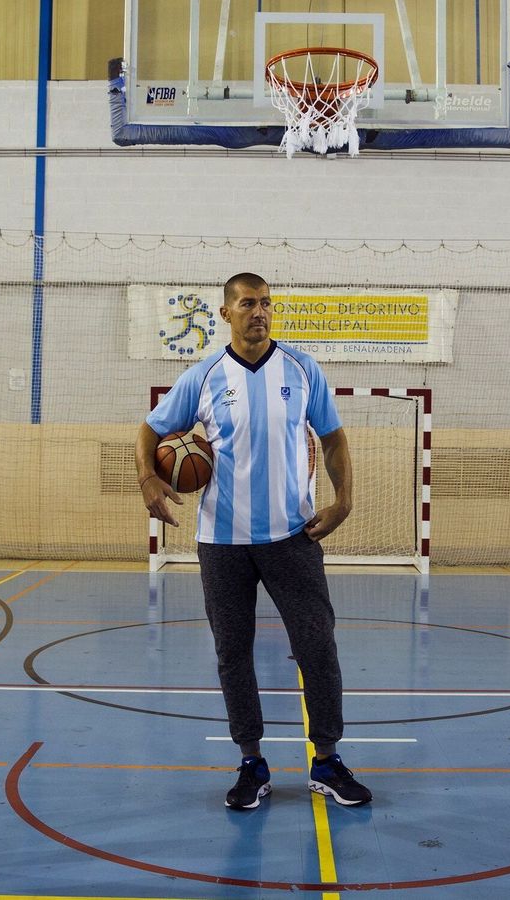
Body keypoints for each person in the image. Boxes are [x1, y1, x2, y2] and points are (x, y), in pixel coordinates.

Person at [137, 272, 373, 810]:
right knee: (232, 653)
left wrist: (345, 500)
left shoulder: (302, 369)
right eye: (247, 303)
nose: (259, 311)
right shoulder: (204, 376)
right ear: (226, 313)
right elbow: (149, 431)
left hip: (293, 536)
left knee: (318, 646)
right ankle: (251, 761)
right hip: (222, 542)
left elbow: (333, 438)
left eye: (266, 303)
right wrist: (148, 478)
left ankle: (328, 760)